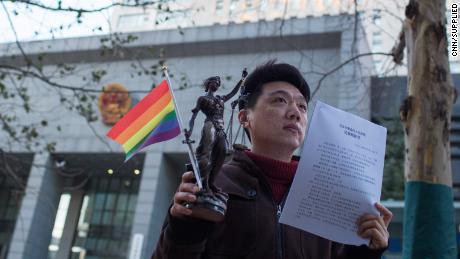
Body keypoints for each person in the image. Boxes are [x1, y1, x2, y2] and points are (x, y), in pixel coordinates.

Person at [152, 60, 392, 259]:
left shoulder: (327, 194)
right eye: (280, 100)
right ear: (244, 118)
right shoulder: (212, 184)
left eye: (302, 106)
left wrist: (364, 250)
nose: (295, 112)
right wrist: (184, 230)